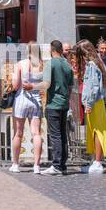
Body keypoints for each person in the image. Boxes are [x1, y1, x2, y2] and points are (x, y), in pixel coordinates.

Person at [8, 44, 45, 173]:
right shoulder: (42, 65)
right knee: (36, 133)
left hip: (21, 99)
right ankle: (36, 165)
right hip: (36, 100)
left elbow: (15, 84)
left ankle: (15, 164)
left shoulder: (20, 64)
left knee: (18, 133)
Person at [77, 40, 106, 172]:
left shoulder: (91, 65)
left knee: (96, 131)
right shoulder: (98, 63)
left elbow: (93, 87)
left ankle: (96, 162)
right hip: (99, 101)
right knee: (97, 131)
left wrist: (88, 103)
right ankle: (95, 161)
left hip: (94, 102)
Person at [41, 40, 73, 176]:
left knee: (55, 135)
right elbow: (71, 86)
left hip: (53, 103)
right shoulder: (67, 64)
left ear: (51, 49)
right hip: (64, 103)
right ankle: (63, 165)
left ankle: (57, 165)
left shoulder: (50, 63)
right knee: (62, 135)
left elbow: (46, 84)